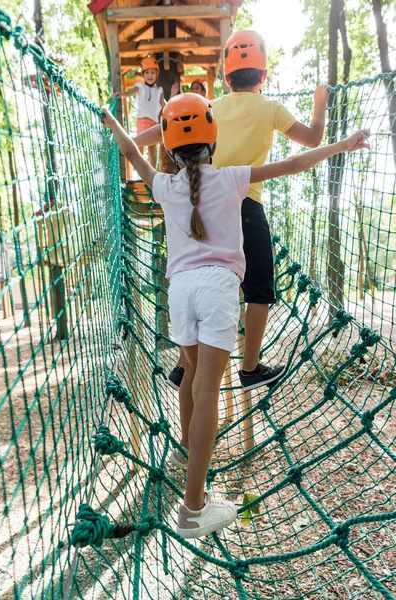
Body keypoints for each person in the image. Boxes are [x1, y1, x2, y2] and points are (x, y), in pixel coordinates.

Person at [102, 93, 369, 539]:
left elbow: (131, 150)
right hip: (218, 289)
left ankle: (189, 447)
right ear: (214, 141)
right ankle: (193, 509)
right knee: (209, 390)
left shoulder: (163, 185)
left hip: (179, 292)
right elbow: (293, 166)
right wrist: (340, 145)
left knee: (190, 374)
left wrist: (113, 121)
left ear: (168, 147)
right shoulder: (230, 178)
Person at [132, 30, 329, 393]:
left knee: (198, 270)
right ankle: (251, 367)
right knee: (258, 287)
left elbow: (167, 132)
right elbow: (312, 140)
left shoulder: (213, 107)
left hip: (205, 202)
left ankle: (181, 366)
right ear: (263, 76)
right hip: (246, 204)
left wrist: (130, 141)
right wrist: (320, 104)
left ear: (225, 77)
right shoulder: (271, 108)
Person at [115, 57, 164, 168]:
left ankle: (152, 172)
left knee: (152, 149)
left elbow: (163, 104)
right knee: (139, 146)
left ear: (157, 74)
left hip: (153, 122)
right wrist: (121, 95)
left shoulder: (159, 90)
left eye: (152, 72)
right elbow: (131, 92)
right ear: (143, 75)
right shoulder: (139, 87)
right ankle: (141, 171)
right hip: (142, 121)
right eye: (147, 73)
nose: (150, 75)